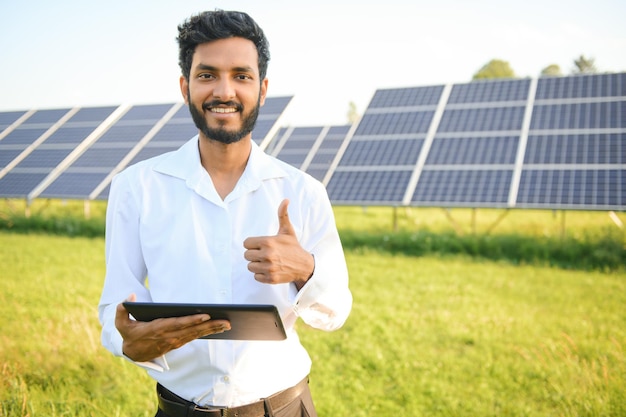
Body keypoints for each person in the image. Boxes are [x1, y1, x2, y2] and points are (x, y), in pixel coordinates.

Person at [98, 9, 352, 417]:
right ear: (185, 86)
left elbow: (335, 312)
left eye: (241, 75)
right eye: (207, 75)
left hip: (283, 408)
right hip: (178, 408)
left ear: (262, 88)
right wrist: (127, 341)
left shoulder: (303, 192)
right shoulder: (136, 187)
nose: (224, 90)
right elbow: (117, 302)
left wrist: (305, 268)